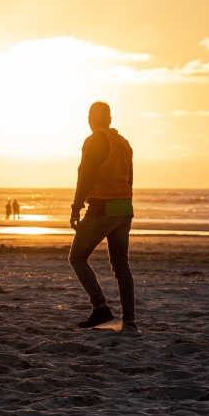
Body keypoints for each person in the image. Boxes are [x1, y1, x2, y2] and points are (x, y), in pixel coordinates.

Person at [69, 101, 136, 331]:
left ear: (92, 119)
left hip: (102, 208)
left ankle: (100, 308)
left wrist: (76, 208)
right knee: (121, 267)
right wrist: (127, 208)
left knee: (77, 257)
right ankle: (129, 321)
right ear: (109, 119)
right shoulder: (124, 144)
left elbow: (85, 176)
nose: (89, 120)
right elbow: (130, 180)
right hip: (124, 209)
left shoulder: (96, 139)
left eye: (90, 116)